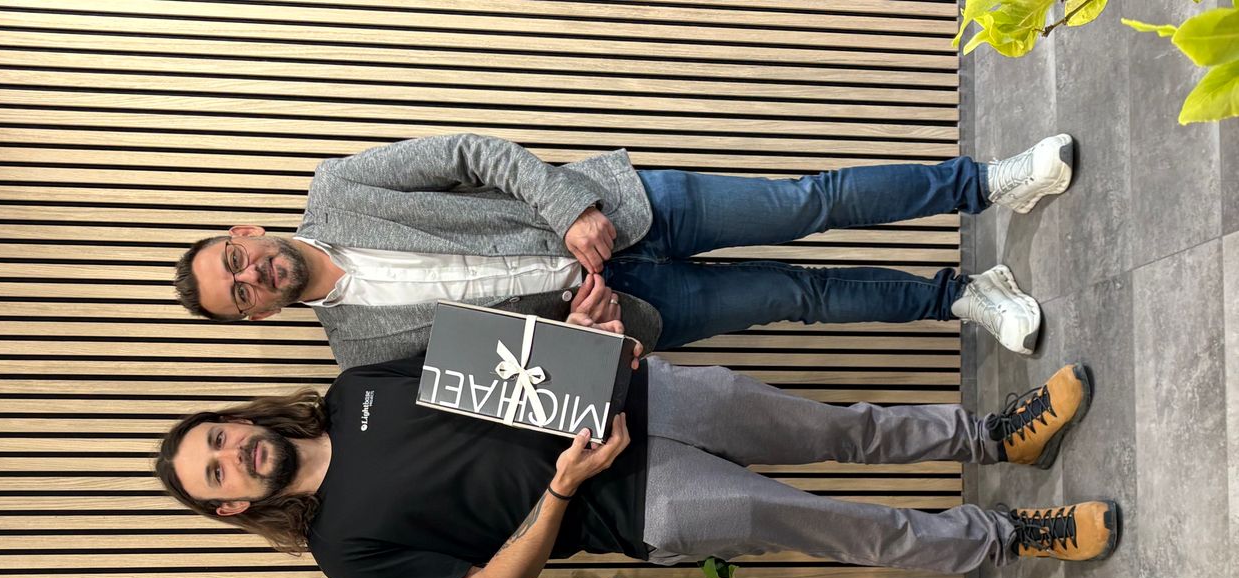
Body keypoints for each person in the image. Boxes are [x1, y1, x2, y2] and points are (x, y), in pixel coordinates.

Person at [153, 351, 1117, 578]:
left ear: (238, 418)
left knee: (839, 425)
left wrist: (599, 356)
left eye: (220, 435)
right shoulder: (340, 551)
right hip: (632, 502)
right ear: (231, 505)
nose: (235, 451)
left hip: (638, 398)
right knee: (839, 524)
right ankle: (1013, 538)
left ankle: (999, 437)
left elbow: (487, 360)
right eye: (216, 471)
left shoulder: (353, 387)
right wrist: (564, 487)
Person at [171, 132, 1076, 366]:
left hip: (624, 210)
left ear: (244, 233)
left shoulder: (338, 188)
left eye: (235, 261)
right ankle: (960, 297)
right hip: (625, 309)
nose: (252, 277)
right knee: (799, 297)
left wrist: (567, 207)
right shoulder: (358, 353)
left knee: (808, 202)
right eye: (239, 295)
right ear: (256, 317)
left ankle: (988, 182)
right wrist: (587, 336)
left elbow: (469, 155)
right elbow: (499, 370)